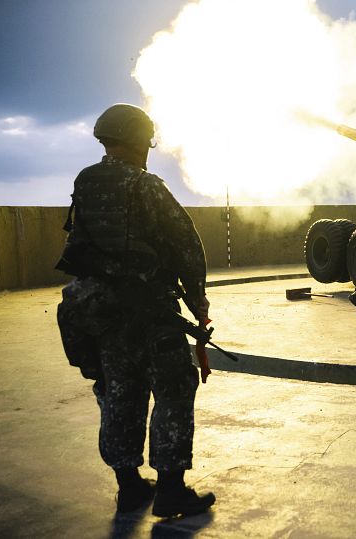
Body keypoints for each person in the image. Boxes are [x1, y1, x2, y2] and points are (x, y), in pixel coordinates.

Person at [55, 103, 215, 517]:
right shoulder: (145, 186)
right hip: (149, 313)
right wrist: (198, 298)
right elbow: (185, 244)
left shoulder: (85, 182)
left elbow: (79, 245)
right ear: (138, 140)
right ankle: (170, 490)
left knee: (119, 394)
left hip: (104, 315)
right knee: (174, 389)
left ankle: (129, 487)